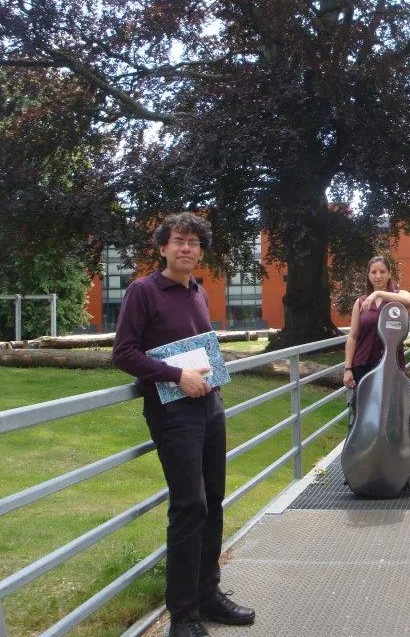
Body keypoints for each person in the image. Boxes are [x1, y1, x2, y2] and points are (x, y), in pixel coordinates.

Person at [113, 212, 255, 637]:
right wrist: (177, 376)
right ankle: (184, 615)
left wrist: (211, 378)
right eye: (178, 241)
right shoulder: (143, 291)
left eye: (194, 242)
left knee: (213, 500)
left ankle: (208, 594)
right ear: (163, 248)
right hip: (172, 413)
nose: (187, 248)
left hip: (210, 407)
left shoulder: (198, 292)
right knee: (189, 506)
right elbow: (124, 354)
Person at [342, 255, 410, 489]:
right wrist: (348, 367)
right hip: (364, 365)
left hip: (392, 367)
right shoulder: (360, 303)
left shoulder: (397, 301)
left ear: (389, 274)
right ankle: (358, 470)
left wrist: (379, 294)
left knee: (404, 416)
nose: (377, 276)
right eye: (373, 272)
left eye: (382, 272)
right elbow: (353, 336)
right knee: (362, 420)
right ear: (368, 275)